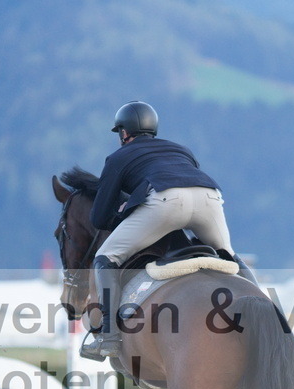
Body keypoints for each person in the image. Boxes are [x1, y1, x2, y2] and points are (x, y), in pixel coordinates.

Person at [84, 101, 256, 359]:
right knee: (228, 255)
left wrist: (124, 211)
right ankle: (271, 313)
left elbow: (98, 218)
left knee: (105, 257)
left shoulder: (118, 157)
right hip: (209, 197)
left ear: (123, 132)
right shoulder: (181, 150)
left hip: (166, 201)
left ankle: (108, 336)